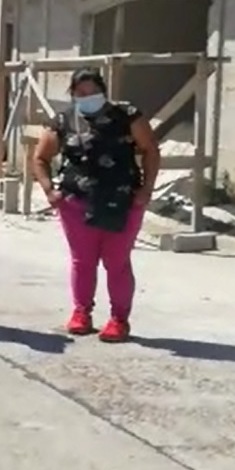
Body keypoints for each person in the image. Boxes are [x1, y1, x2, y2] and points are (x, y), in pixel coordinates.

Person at [31, 68, 160, 343]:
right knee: (83, 261)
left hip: (122, 201)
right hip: (77, 203)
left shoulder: (127, 115)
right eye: (81, 93)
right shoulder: (64, 120)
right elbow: (40, 157)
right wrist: (49, 190)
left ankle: (119, 319)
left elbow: (150, 149)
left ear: (103, 91)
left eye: (92, 92)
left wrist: (146, 189)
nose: (87, 97)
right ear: (73, 94)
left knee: (117, 262)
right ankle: (81, 312)